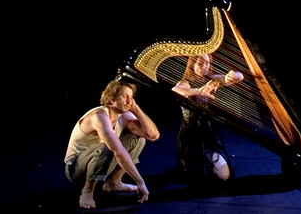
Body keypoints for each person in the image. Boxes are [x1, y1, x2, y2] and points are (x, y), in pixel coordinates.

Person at [65, 80, 160, 209]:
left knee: (138, 139)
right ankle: (87, 191)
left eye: (131, 98)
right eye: (124, 97)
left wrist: (137, 110)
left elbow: (152, 135)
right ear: (111, 101)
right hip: (76, 169)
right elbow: (118, 151)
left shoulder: (124, 116)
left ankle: (113, 183)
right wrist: (140, 182)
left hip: (99, 165)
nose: (129, 102)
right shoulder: (99, 116)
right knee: (107, 146)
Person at [172, 54, 243, 182]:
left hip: (208, 135)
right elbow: (176, 90)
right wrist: (199, 91)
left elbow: (239, 77)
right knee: (198, 176)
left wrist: (234, 75)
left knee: (224, 175)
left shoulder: (211, 80)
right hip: (191, 136)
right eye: (200, 63)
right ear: (192, 63)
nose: (204, 66)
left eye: (207, 63)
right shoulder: (185, 83)